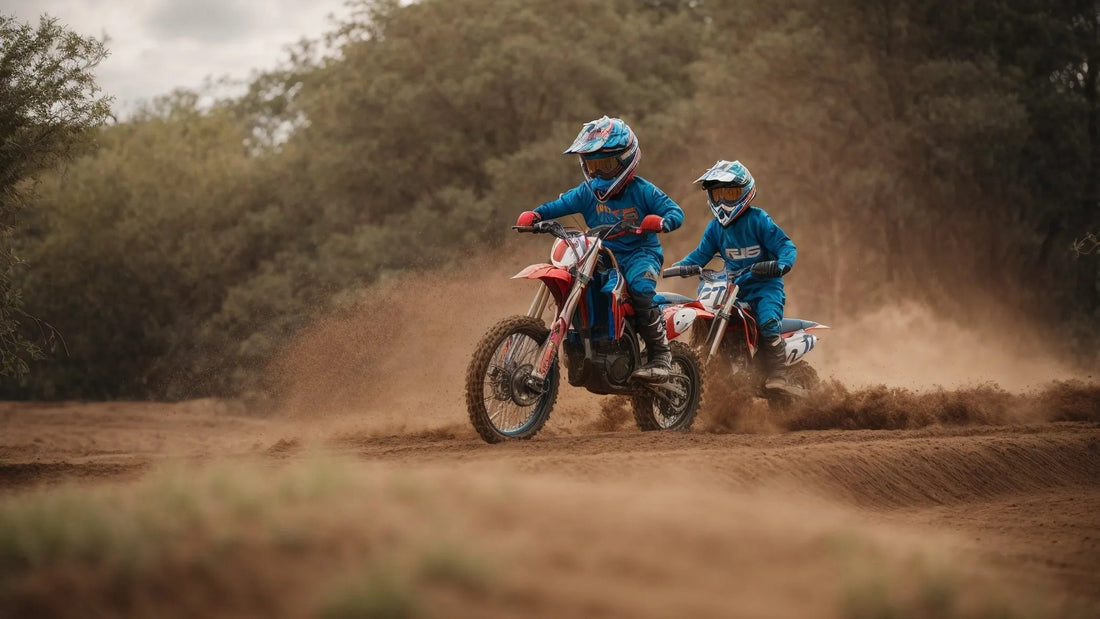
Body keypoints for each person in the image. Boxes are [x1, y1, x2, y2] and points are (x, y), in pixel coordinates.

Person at [516, 116, 684, 381]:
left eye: (605, 164)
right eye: (591, 165)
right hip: (599, 255)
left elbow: (675, 211)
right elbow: (557, 206)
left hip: (639, 255)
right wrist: (536, 216)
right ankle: (583, 344)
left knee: (640, 289)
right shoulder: (586, 192)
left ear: (626, 159)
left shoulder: (643, 191)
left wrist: (662, 222)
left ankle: (661, 357)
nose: (597, 173)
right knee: (576, 282)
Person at [669, 160, 799, 394]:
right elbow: (700, 255)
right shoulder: (715, 229)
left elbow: (785, 245)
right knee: (707, 316)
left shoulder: (758, 220)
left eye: (730, 193)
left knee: (768, 320)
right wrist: (680, 267)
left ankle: (778, 374)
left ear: (744, 192)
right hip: (731, 289)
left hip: (764, 287)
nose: (723, 201)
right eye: (717, 194)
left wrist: (781, 264)